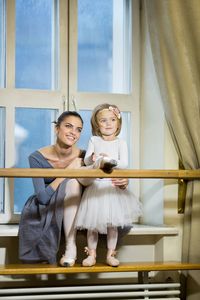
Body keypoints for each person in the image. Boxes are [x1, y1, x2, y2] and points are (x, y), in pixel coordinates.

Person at [18, 110, 128, 266]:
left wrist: (123, 181)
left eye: (78, 129)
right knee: (73, 181)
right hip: (50, 203)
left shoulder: (84, 155)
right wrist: (68, 170)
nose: (73, 133)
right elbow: (42, 198)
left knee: (81, 178)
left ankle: (98, 170)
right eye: (68, 126)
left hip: (79, 199)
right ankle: (71, 246)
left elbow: (99, 179)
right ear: (57, 128)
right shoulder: (36, 157)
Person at [75, 104, 143, 267]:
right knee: (93, 226)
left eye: (112, 120)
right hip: (96, 188)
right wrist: (95, 158)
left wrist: (110, 161)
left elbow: (124, 164)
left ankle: (110, 254)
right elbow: (86, 161)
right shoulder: (94, 140)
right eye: (103, 121)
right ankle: (91, 254)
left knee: (113, 225)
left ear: (118, 123)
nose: (108, 123)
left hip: (112, 189)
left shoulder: (121, 143)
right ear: (97, 124)